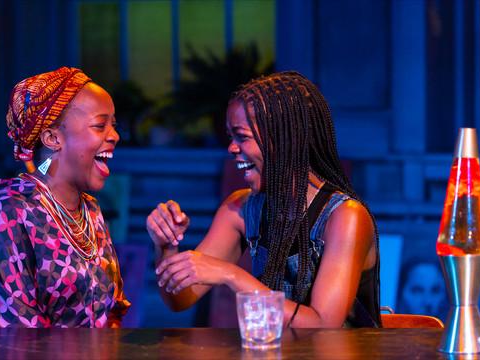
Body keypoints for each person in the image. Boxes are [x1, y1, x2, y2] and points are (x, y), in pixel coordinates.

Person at [148, 71, 381, 327]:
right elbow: (179, 300)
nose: (232, 148)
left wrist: (231, 274)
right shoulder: (240, 208)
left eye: (242, 137)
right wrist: (166, 247)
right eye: (230, 136)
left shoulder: (345, 217)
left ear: (286, 141)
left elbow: (323, 326)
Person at [0, 67, 129, 328]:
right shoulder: (6, 214)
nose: (115, 136)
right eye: (100, 125)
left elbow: (110, 315)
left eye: (114, 126)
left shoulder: (90, 212)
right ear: (53, 138)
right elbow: (11, 336)